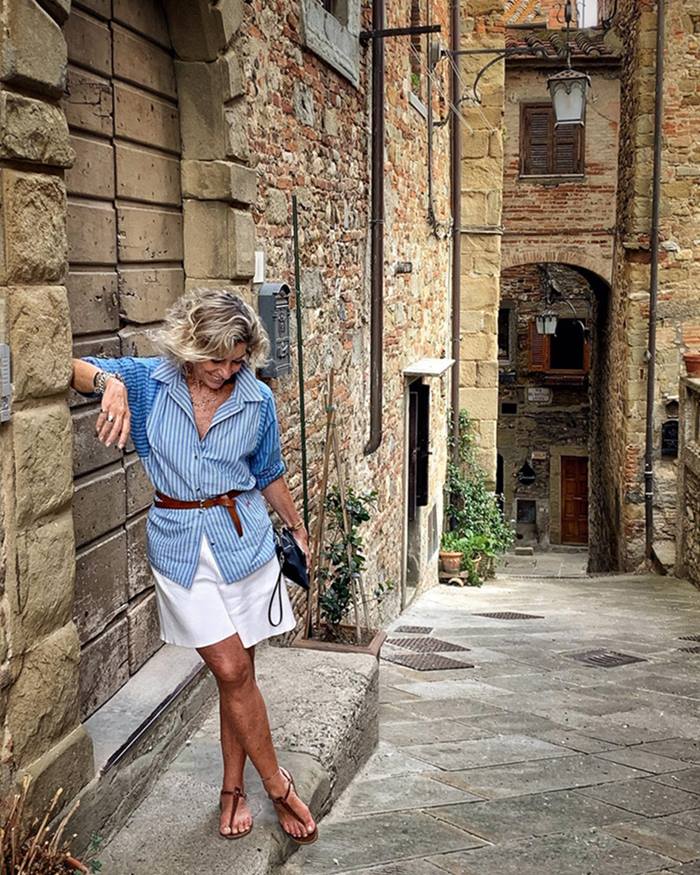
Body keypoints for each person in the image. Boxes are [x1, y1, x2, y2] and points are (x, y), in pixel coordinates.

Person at [70, 288, 318, 844]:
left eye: (236, 360)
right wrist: (108, 386)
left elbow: (269, 471)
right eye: (216, 359)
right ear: (187, 348)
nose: (226, 371)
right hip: (181, 548)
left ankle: (231, 790)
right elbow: (70, 367)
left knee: (241, 677)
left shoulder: (254, 400)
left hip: (244, 542)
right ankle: (278, 786)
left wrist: (297, 526)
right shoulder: (147, 381)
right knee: (231, 670)